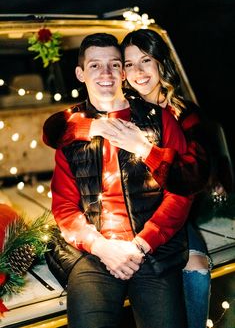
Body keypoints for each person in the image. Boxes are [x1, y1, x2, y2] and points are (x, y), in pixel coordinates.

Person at [43, 29, 212, 328]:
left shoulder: (167, 117)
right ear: (81, 74)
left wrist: (141, 244)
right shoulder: (71, 127)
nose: (107, 72)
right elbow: (65, 207)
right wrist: (102, 247)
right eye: (95, 65)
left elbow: (184, 188)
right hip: (95, 255)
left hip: (152, 251)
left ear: (121, 73)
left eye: (115, 64)